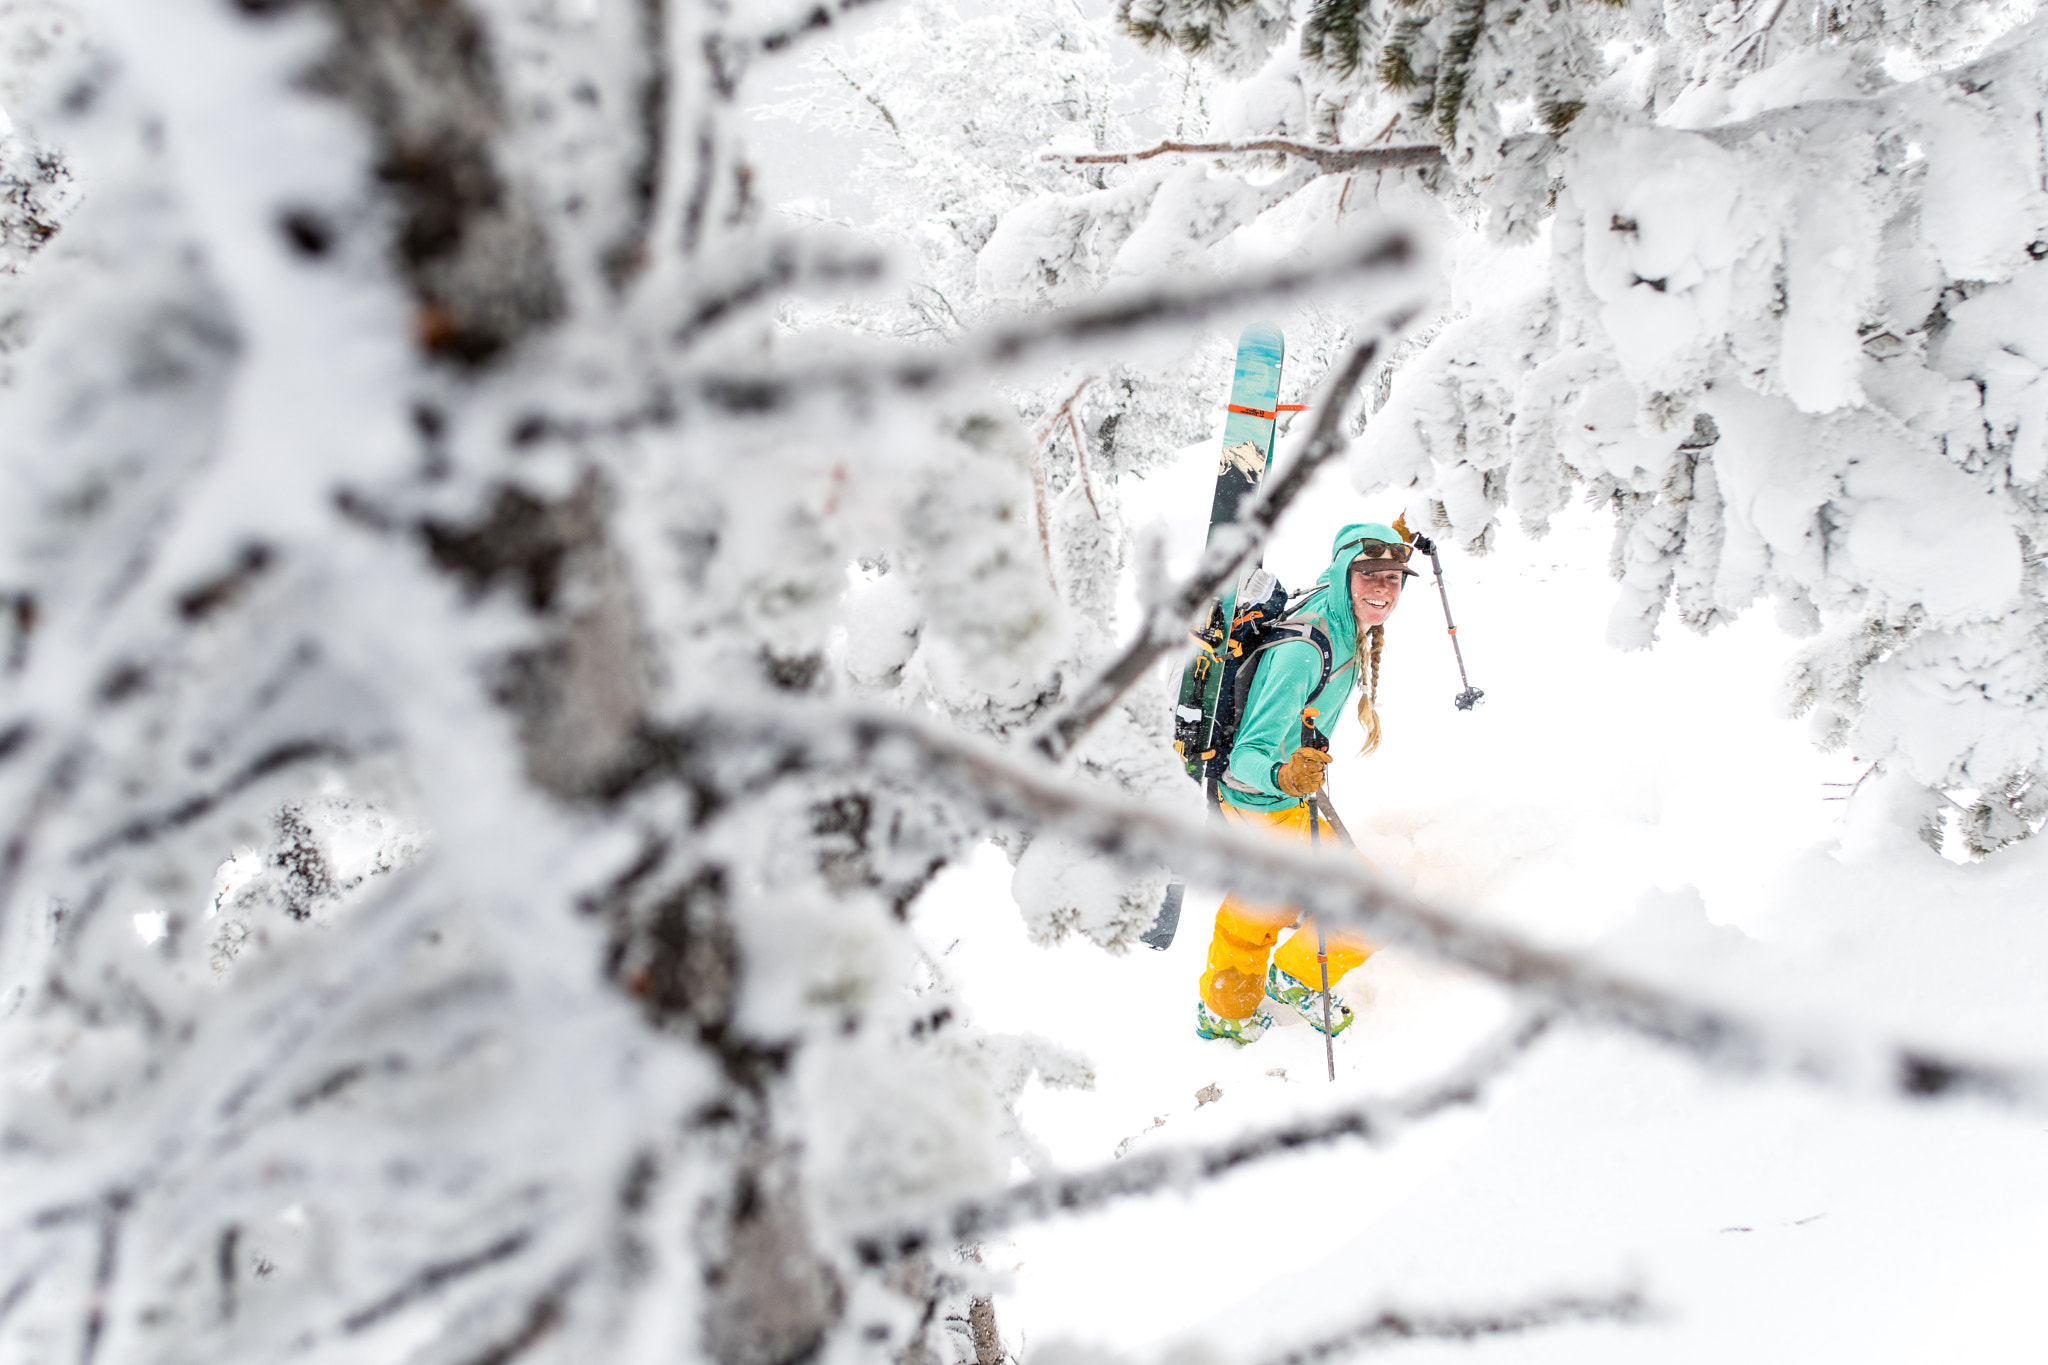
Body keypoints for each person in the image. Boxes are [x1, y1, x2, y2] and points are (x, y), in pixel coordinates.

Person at [1195, 520, 1414, 1045]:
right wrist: (1285, 773)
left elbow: (1361, 558)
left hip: (1244, 805)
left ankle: (1225, 1011)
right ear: (1344, 574)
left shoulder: (1334, 610)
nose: (1383, 589)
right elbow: (1247, 755)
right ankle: (1298, 977)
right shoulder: (1306, 649)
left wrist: (1399, 528)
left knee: (1259, 902)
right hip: (1268, 799)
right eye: (1369, 576)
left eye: (1393, 577)